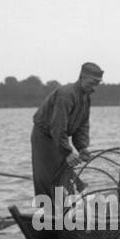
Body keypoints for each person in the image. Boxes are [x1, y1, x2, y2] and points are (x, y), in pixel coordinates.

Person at [31, 62, 102, 197]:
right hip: (45, 137)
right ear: (82, 77)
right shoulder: (66, 94)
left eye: (97, 84)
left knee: (65, 174)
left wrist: (82, 147)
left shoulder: (86, 97)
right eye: (92, 83)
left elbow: (82, 124)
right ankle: (47, 213)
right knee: (47, 176)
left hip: (58, 138)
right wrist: (67, 152)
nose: (94, 88)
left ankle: (66, 210)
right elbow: (58, 125)